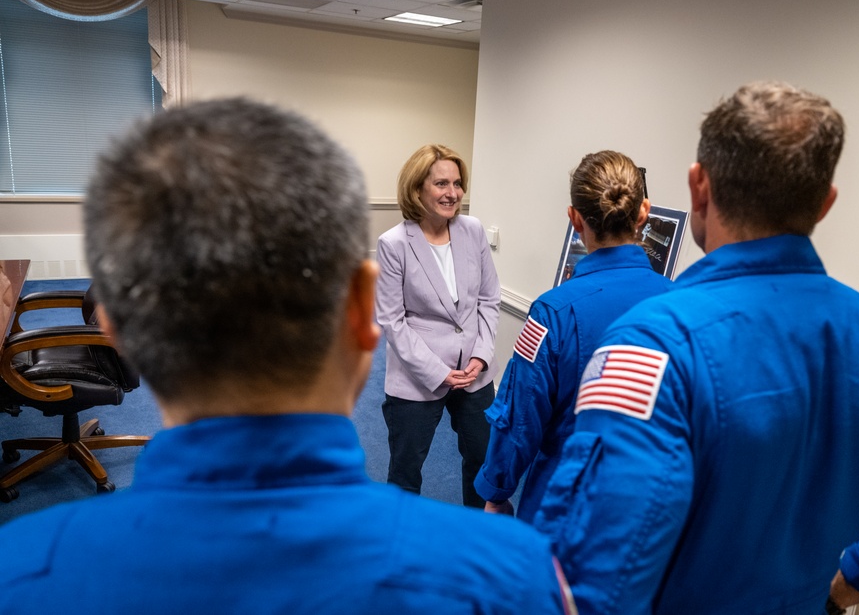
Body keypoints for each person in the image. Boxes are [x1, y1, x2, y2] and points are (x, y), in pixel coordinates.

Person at [0, 99, 574, 615]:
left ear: (116, 329)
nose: (450, 193)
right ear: (358, 316)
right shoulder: (517, 578)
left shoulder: (17, 576)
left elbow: (482, 299)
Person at [534, 81, 859, 614]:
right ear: (824, 204)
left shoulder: (651, 347)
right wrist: (843, 591)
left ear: (698, 186)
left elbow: (597, 578)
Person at [474, 150, 671, 521]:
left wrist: (496, 492)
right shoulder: (683, 305)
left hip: (566, 505)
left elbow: (520, 416)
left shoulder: (553, 313)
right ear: (644, 212)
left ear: (574, 219)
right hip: (652, 510)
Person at [376, 144, 499, 508]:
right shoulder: (394, 243)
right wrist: (438, 371)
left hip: (474, 372)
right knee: (405, 472)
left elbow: (489, 299)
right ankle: (400, 548)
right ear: (417, 189)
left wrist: (481, 355)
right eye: (441, 183)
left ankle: (474, 538)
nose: (453, 193)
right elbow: (392, 321)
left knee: (482, 461)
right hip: (418, 374)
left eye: (458, 183)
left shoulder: (472, 230)